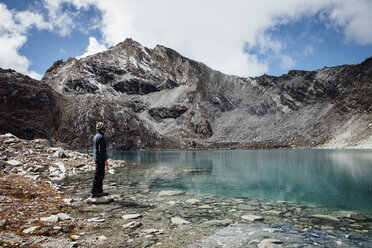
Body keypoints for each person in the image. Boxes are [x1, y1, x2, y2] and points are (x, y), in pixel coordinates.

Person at [91, 122, 109, 197]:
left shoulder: (95, 136)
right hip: (100, 159)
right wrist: (105, 160)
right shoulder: (101, 137)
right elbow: (101, 150)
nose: (104, 130)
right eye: (103, 129)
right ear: (102, 129)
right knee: (99, 175)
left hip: (97, 158)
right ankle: (95, 191)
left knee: (99, 174)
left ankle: (99, 191)